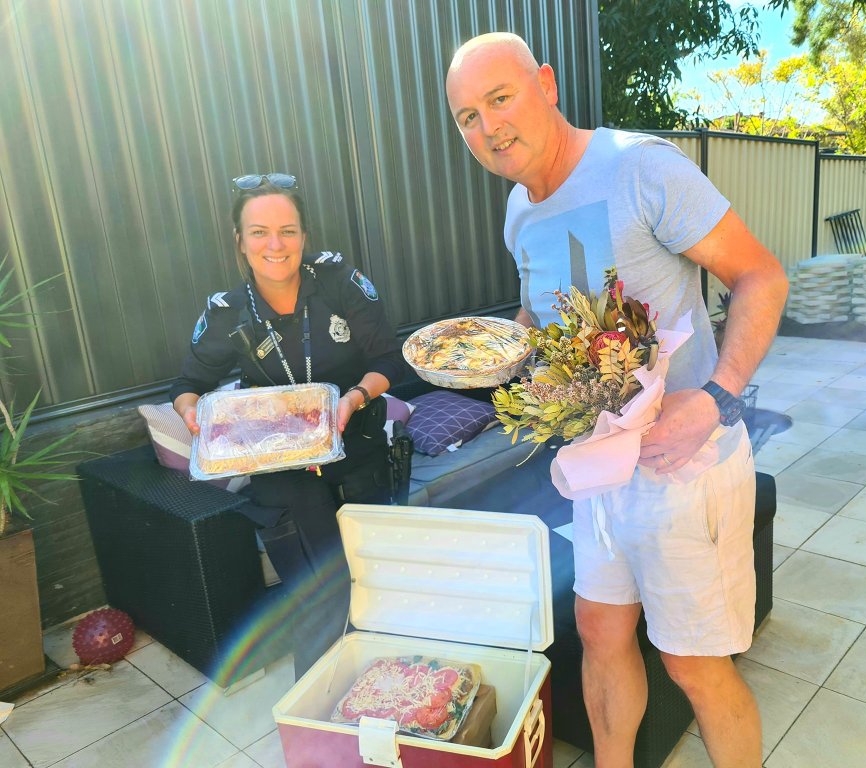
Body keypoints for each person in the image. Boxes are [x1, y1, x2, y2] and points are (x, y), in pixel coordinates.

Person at [446, 34, 788, 767]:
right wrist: (508, 351)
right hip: (598, 470)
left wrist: (718, 398)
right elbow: (541, 312)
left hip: (684, 464)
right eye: (468, 116)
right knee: (599, 633)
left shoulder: (639, 167)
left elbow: (762, 276)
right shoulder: (517, 210)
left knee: (693, 665)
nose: (488, 126)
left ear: (546, 85)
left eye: (500, 99)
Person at [169, 173, 406, 674]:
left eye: (287, 231)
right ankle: (323, 702)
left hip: (358, 453)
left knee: (376, 586)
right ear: (240, 240)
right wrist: (192, 413)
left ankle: (395, 686)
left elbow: (389, 358)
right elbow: (189, 383)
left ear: (304, 236)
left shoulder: (340, 283)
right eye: (259, 232)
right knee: (317, 598)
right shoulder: (228, 312)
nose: (275, 245)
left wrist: (355, 397)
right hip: (280, 473)